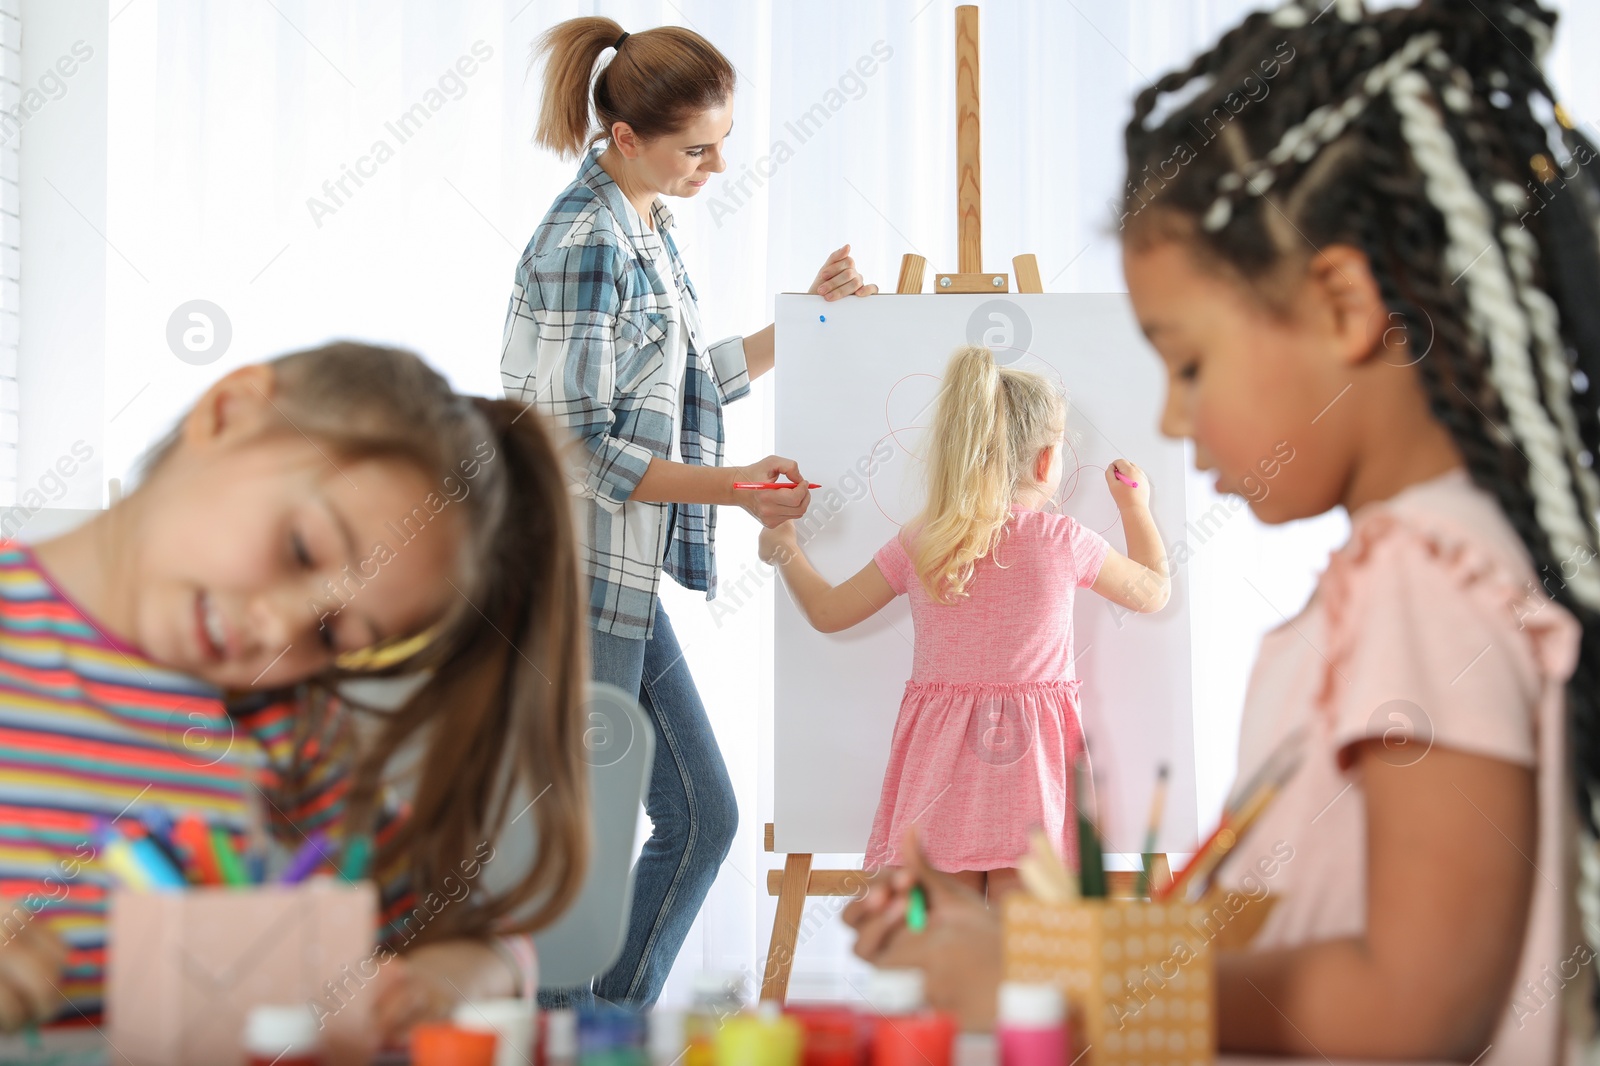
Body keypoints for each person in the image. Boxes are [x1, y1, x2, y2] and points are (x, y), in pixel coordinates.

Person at [848, 0, 1600, 1059]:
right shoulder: (1417, 568)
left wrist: (1051, 983)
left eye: (1188, 363)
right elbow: (1300, 928)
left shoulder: (1420, 582)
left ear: (1341, 305)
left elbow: (1412, 1005)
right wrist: (1031, 945)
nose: (1168, 417)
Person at [0, 342, 591, 1052]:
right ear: (230, 412)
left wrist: (435, 985)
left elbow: (488, 949)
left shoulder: (287, 729)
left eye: (334, 632)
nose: (280, 630)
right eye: (305, 549)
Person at [506, 16, 876, 1007]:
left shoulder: (646, 224)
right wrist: (739, 484)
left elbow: (671, 387)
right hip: (572, 570)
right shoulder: (586, 238)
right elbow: (580, 443)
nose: (714, 167)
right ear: (626, 137)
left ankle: (603, 1027)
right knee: (583, 837)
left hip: (617, 574)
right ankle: (570, 1030)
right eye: (695, 149)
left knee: (700, 817)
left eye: (721, 144)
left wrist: (796, 323)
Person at [759, 346, 1170, 897]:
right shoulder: (1064, 541)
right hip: (1029, 771)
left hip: (940, 770)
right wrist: (1135, 508)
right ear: (1046, 461)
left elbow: (829, 612)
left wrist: (786, 548)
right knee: (1018, 952)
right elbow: (1154, 591)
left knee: (940, 943)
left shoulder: (923, 539)